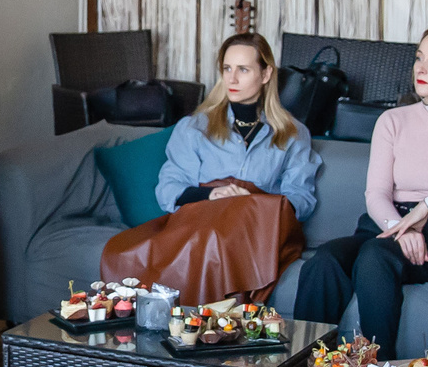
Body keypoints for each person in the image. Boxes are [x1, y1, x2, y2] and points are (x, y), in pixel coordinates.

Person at [289, 24, 428, 340]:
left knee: (375, 256)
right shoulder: (392, 120)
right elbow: (376, 192)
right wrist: (401, 226)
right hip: (382, 224)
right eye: (419, 57)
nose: (420, 67)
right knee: (323, 263)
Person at [96, 31, 319, 304]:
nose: (232, 79)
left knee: (215, 238)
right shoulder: (194, 127)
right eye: (227, 68)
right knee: (137, 250)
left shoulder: (294, 133)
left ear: (265, 74)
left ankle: (195, 327)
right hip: (202, 222)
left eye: (243, 69)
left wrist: (254, 204)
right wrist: (212, 195)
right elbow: (168, 191)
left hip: (261, 229)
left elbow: (302, 200)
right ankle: (206, 326)